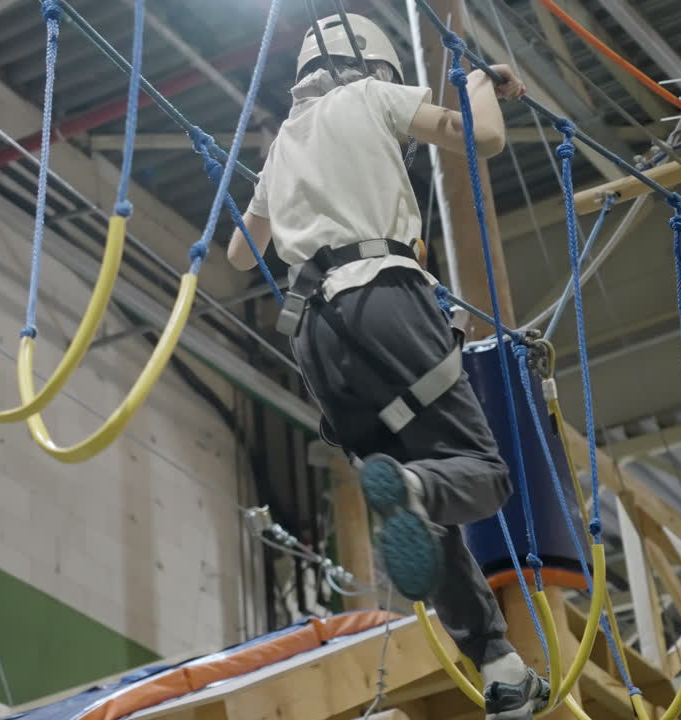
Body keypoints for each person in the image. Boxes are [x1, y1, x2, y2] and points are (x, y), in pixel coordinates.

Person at [224, 14, 546, 720]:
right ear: (374, 65)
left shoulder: (282, 145)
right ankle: (408, 485)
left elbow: (241, 255)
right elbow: (481, 136)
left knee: (429, 513)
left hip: (315, 338)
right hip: (385, 302)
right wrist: (479, 81)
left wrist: (277, 188)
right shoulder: (372, 98)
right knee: (480, 475)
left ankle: (500, 668)